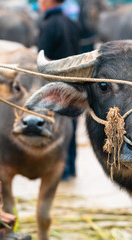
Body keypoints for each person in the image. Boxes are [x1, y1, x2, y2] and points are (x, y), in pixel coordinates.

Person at [37, 0, 81, 180]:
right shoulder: (73, 24)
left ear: (48, 1)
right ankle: (71, 168)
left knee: (56, 128)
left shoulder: (48, 25)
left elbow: (42, 59)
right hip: (74, 85)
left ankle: (60, 171)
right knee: (71, 126)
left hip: (55, 87)